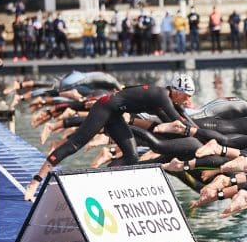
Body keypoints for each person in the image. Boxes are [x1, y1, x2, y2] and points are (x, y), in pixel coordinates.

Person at [24, 74, 197, 201]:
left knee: (132, 156)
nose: (188, 100)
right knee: (74, 145)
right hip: (104, 108)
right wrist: (200, 134)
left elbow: (131, 93)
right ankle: (35, 182)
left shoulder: (162, 97)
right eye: (187, 95)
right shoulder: (161, 96)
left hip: (115, 114)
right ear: (177, 91)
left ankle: (107, 189)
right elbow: (177, 121)